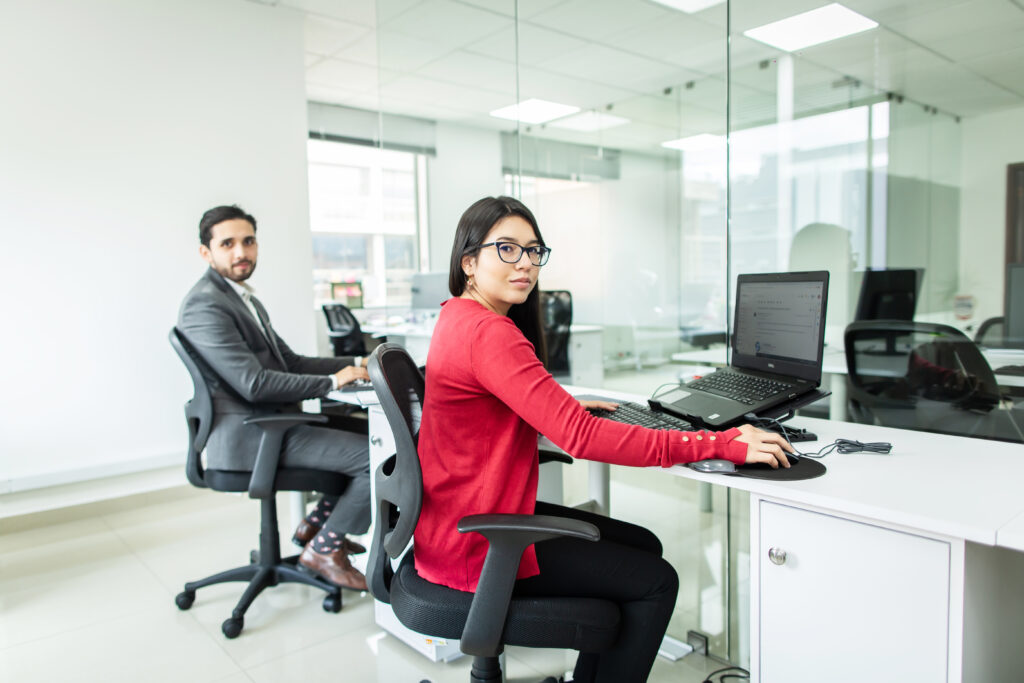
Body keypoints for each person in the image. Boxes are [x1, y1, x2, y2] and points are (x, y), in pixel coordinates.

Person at [415, 196, 794, 683]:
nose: (526, 263)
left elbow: (490, 409)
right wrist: (719, 443)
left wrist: (558, 408)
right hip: (479, 546)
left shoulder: (457, 316)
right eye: (507, 249)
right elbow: (582, 438)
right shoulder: (491, 332)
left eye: (534, 251)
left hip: (455, 528)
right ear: (469, 262)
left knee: (644, 545)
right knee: (656, 581)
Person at [178, 204, 370, 591]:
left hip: (272, 423)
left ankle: (317, 526)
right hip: (254, 435)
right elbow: (254, 384)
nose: (241, 252)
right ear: (206, 252)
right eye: (227, 243)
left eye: (248, 241)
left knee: (371, 436)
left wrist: (358, 361)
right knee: (379, 457)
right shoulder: (205, 305)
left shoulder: (243, 298)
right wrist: (334, 382)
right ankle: (324, 548)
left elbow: (292, 362)